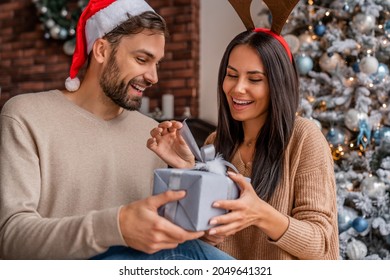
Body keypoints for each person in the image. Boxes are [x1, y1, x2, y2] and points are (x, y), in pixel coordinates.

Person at [0, 0, 233, 260]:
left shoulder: (154, 136)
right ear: (101, 50)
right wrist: (116, 226)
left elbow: (166, 241)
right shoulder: (27, 116)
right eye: (142, 59)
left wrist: (188, 175)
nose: (153, 77)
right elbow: (10, 239)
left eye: (157, 64)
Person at [147, 28, 339, 259]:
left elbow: (320, 245)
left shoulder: (303, 138)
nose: (238, 88)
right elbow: (204, 241)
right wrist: (188, 169)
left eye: (255, 79)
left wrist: (259, 214)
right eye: (231, 75)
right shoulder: (215, 142)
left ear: (278, 84)